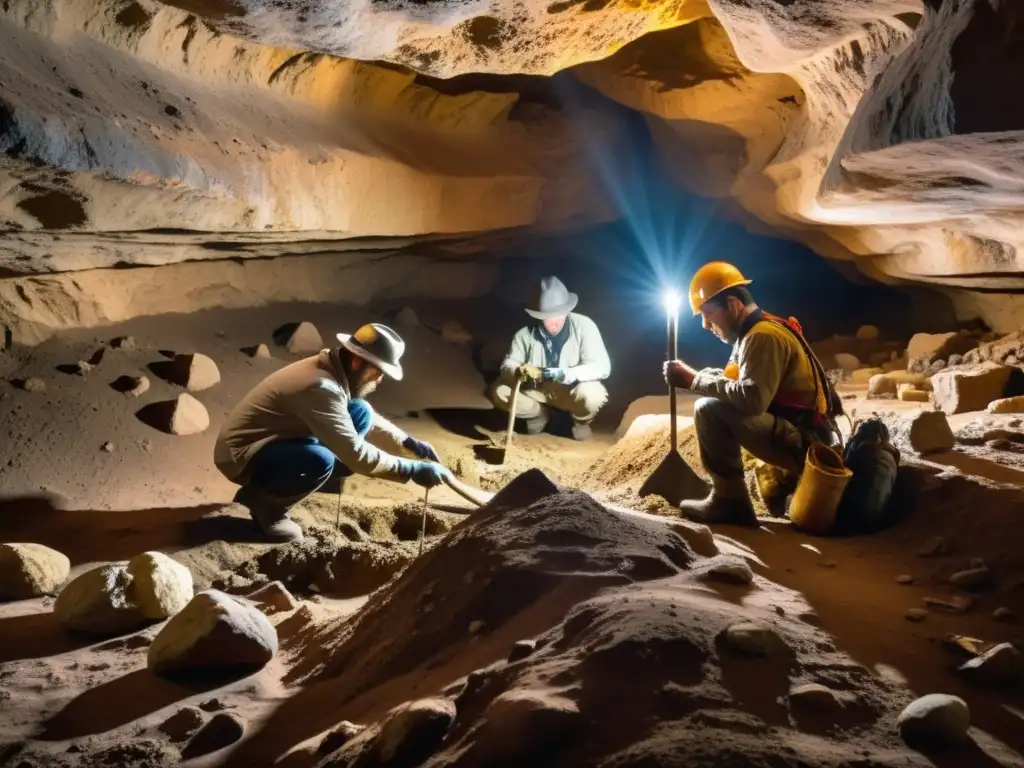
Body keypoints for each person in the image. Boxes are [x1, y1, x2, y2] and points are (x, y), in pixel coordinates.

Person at [214, 323, 451, 542]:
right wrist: (412, 469)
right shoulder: (319, 386)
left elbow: (356, 419)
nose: (379, 379)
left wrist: (407, 443)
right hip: (242, 456)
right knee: (322, 460)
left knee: (360, 412)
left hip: (277, 442)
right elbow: (357, 454)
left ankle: (290, 486)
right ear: (357, 363)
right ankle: (267, 508)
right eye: (378, 371)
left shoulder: (334, 369)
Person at [663, 262, 842, 526]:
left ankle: (729, 502)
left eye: (708, 313)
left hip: (806, 444)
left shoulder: (762, 337)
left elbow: (752, 399)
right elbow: (740, 381)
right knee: (714, 399)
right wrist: (708, 376)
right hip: (804, 434)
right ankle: (751, 492)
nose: (705, 325)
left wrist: (694, 380)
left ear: (733, 304)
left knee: (708, 409)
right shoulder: (757, 332)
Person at [490, 276, 611, 441]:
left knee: (593, 394)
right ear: (538, 315)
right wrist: (517, 370)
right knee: (500, 392)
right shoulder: (524, 334)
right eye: (548, 316)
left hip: (570, 392)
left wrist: (563, 374)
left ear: (568, 310)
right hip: (537, 391)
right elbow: (507, 364)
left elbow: (602, 367)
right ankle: (539, 416)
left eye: (560, 314)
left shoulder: (585, 326)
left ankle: (580, 423)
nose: (555, 321)